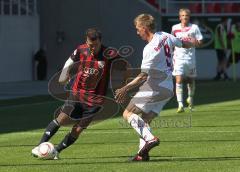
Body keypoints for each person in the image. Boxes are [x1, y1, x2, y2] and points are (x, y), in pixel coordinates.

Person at [115, 13, 197, 161]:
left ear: (145, 27)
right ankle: (142, 154)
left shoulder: (149, 48)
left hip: (154, 87)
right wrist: (194, 42)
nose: (137, 31)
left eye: (138, 28)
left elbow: (143, 76)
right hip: (167, 88)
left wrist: (125, 88)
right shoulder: (165, 36)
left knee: (127, 114)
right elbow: (183, 43)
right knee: (145, 121)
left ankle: (150, 139)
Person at [31, 28, 121, 159]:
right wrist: (64, 74)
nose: (92, 48)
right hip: (77, 94)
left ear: (100, 42)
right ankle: (39, 147)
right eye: (90, 45)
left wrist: (123, 84)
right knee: (61, 119)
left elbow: (124, 65)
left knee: (77, 130)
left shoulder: (110, 53)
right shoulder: (81, 50)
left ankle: (56, 151)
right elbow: (70, 61)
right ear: (86, 41)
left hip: (95, 101)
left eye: (95, 45)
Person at [171, 8, 203, 113]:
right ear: (180, 17)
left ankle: (190, 98)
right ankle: (180, 104)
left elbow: (200, 42)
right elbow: (172, 42)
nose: (185, 17)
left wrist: (194, 43)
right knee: (178, 80)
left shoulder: (194, 28)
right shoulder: (174, 28)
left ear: (189, 17)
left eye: (187, 15)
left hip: (190, 59)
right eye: (183, 15)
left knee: (190, 80)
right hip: (178, 58)